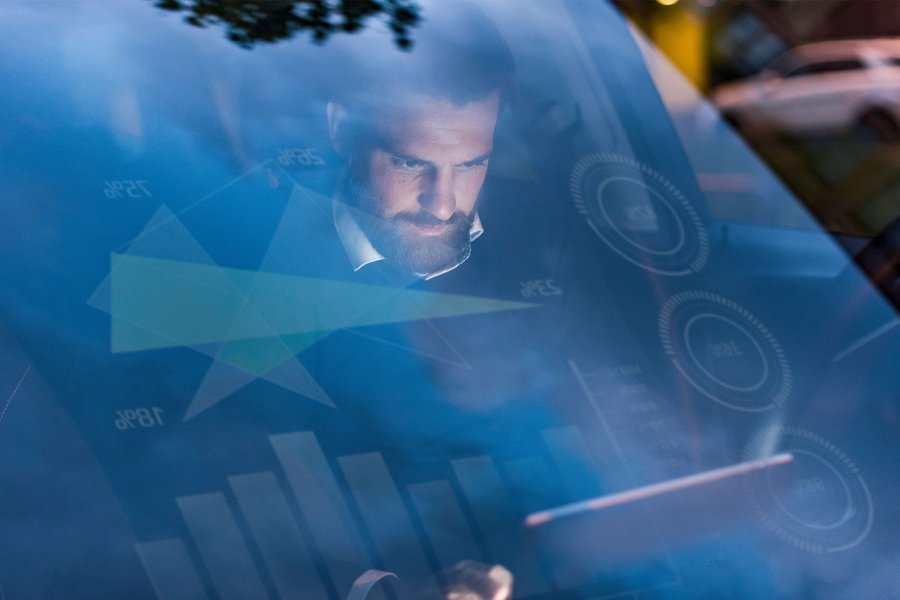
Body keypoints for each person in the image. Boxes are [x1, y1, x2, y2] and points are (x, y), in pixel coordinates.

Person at [324, 2, 515, 279]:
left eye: (470, 165)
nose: (442, 208)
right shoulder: (252, 243)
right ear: (342, 129)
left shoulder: (554, 240)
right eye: (410, 163)